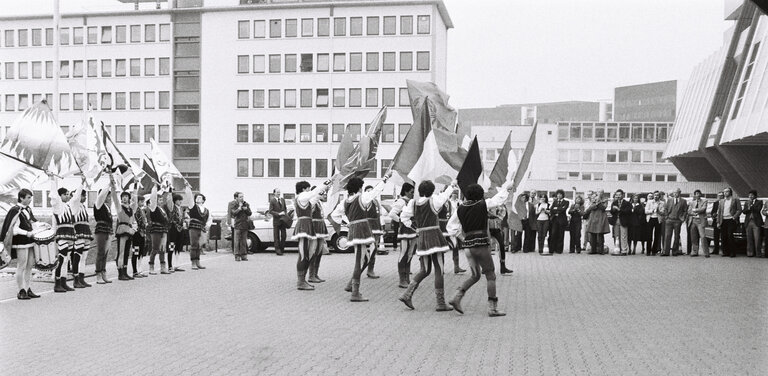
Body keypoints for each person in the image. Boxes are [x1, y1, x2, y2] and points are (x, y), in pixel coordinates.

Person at [446, 181, 513, 317]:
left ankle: (457, 297)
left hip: (468, 246)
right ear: (480, 194)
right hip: (481, 244)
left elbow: (451, 227)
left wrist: (463, 238)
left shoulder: (460, 208)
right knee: (491, 275)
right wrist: (507, 188)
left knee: (476, 275)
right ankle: (492, 308)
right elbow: (497, 200)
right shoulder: (482, 204)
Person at [398, 180, 457, 311]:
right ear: (432, 190)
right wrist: (452, 185)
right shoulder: (434, 201)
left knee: (424, 270)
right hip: (435, 237)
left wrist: (415, 228)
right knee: (439, 269)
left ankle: (407, 294)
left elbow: (403, 218)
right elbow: (444, 196)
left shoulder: (413, 203)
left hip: (422, 238)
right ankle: (440, 303)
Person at [331, 173, 391, 302]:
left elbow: (335, 215)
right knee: (360, 260)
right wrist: (385, 179)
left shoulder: (345, 201)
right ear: (359, 188)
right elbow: (375, 191)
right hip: (362, 230)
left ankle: (351, 285)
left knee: (365, 258)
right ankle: (355, 292)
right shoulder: (362, 198)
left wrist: (347, 223)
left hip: (354, 229)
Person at [1, 189, 42, 300]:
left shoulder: (28, 209)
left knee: (29, 266)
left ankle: (27, 289)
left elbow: (33, 222)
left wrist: (42, 226)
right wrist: (27, 233)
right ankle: (21, 290)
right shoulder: (15, 210)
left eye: (30, 197)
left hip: (29, 240)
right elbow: (13, 229)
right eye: (28, 197)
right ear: (21, 198)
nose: (30, 200)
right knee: (22, 265)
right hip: (21, 241)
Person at [292, 181, 331, 290]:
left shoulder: (305, 199)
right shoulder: (301, 197)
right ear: (304, 189)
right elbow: (314, 193)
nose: (309, 190)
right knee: (303, 254)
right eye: (308, 188)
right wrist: (327, 182)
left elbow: (315, 197)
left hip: (307, 226)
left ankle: (303, 279)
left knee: (308, 254)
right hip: (304, 227)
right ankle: (300, 281)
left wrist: (326, 188)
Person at [49, 176, 84, 291]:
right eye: (65, 194)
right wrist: (52, 179)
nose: (68, 196)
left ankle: (63, 282)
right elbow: (54, 195)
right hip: (62, 234)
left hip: (70, 234)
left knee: (66, 259)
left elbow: (76, 198)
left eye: (68, 194)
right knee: (62, 258)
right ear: (60, 196)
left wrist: (82, 183)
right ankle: (57, 283)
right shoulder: (58, 206)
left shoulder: (69, 206)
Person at [391, 183, 416, 288]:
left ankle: (407, 278)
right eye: (411, 192)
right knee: (404, 253)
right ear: (406, 191)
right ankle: (402, 279)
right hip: (405, 231)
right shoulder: (401, 201)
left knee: (410, 254)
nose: (413, 194)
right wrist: (402, 222)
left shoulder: (412, 201)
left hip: (413, 230)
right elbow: (392, 214)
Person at [93, 175, 117, 284]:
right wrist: (108, 184)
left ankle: (103, 272)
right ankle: (98, 273)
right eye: (107, 196)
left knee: (106, 253)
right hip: (101, 230)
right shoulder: (98, 204)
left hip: (108, 230)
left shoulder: (108, 208)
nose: (109, 198)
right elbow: (102, 195)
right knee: (100, 252)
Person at [115, 185, 138, 281]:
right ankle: (120, 273)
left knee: (127, 253)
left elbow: (135, 201)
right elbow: (115, 198)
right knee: (121, 252)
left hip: (129, 230)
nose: (124, 198)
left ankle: (125, 271)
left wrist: (135, 185)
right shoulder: (119, 207)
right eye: (123, 197)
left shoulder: (131, 209)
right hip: (122, 229)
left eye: (126, 196)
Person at [440, 188, 465, 274]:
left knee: (455, 245)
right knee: (442, 248)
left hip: (450, 225)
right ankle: (441, 268)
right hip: (443, 226)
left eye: (455, 193)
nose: (454, 194)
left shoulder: (457, 202)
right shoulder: (444, 202)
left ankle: (456, 267)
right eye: (453, 193)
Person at [308, 187, 330, 283]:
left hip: (321, 227)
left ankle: (315, 273)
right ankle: (311, 275)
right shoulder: (313, 202)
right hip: (315, 227)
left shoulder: (320, 203)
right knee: (314, 251)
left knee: (319, 251)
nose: (324, 195)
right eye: (322, 193)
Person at [148, 185, 171, 274]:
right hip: (156, 229)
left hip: (163, 230)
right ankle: (151, 267)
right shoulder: (153, 207)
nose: (161, 201)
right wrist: (155, 188)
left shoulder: (163, 209)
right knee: (155, 248)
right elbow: (153, 199)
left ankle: (163, 267)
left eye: (161, 200)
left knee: (162, 249)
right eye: (159, 200)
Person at [188, 193, 212, 270]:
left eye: (200, 197)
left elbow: (209, 219)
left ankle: (198, 262)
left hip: (202, 228)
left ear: (203, 200)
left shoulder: (206, 210)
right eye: (196, 197)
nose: (198, 199)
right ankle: (193, 263)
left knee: (199, 246)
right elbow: (189, 197)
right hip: (193, 227)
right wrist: (188, 188)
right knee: (194, 245)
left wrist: (207, 226)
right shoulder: (193, 206)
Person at [662, 188, 687, 257]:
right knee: (667, 236)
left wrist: (682, 218)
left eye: (677, 192)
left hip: (677, 221)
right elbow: (666, 208)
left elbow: (685, 210)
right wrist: (666, 217)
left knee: (676, 236)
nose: (675, 194)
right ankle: (665, 251)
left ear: (680, 193)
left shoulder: (683, 201)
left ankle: (675, 251)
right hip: (669, 220)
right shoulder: (669, 200)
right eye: (674, 193)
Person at [365, 185, 383, 279]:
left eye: (372, 191)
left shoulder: (376, 201)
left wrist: (381, 226)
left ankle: (370, 269)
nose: (371, 193)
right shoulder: (366, 202)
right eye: (368, 191)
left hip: (376, 226)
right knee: (369, 248)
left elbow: (379, 215)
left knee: (375, 248)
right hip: (369, 226)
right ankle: (366, 268)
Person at [165, 192, 186, 272]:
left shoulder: (181, 208)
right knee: (171, 246)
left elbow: (183, 217)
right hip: (173, 229)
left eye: (181, 200)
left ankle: (177, 265)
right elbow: (169, 201)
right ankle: (170, 265)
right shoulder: (172, 207)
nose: (180, 201)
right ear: (175, 201)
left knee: (178, 247)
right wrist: (170, 191)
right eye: (179, 200)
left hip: (180, 229)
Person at [718, 187, 741, 258]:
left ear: (730, 192)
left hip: (731, 220)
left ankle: (732, 252)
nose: (725, 193)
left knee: (730, 235)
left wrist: (734, 217)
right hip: (723, 220)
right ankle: (725, 252)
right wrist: (718, 222)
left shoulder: (735, 200)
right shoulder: (722, 201)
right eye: (724, 192)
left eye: (727, 191)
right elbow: (719, 212)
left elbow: (739, 210)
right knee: (723, 236)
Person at [489, 204, 512, 273]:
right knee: (485, 247)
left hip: (496, 229)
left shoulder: (501, 206)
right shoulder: (488, 203)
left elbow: (502, 215)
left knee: (501, 246)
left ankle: (503, 267)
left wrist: (497, 213)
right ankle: (485, 267)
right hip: (487, 228)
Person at [585, 190, 609, 254]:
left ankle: (601, 250)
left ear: (603, 193)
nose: (599, 193)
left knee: (600, 234)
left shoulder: (605, 200)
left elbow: (603, 208)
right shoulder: (593, 199)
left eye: (600, 192)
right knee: (592, 234)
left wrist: (598, 202)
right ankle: (593, 250)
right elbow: (591, 208)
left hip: (601, 217)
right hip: (593, 217)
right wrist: (594, 202)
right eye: (598, 192)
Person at [230, 191, 252, 261]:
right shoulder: (234, 205)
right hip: (238, 225)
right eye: (240, 197)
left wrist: (246, 209)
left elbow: (250, 213)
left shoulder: (246, 204)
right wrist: (239, 208)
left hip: (245, 225)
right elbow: (233, 213)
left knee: (243, 241)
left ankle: (244, 255)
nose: (242, 198)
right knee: (237, 241)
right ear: (236, 198)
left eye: (242, 196)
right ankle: (237, 255)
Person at [610, 189, 632, 256]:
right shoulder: (614, 202)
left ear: (623, 195)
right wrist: (613, 209)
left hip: (624, 221)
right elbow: (611, 212)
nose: (618, 196)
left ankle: (624, 250)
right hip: (616, 220)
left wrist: (619, 209)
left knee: (623, 236)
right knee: (616, 236)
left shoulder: (627, 203)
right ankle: (617, 249)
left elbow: (628, 212)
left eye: (619, 195)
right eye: (617, 195)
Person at [688, 190, 709, 257]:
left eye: (699, 193)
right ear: (694, 195)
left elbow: (703, 209)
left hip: (701, 221)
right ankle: (695, 252)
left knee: (703, 236)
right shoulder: (692, 202)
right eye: (696, 194)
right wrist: (693, 212)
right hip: (693, 220)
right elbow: (689, 211)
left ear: (700, 194)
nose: (698, 195)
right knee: (694, 237)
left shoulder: (704, 201)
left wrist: (695, 210)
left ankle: (706, 252)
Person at [131, 195, 148, 278]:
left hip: (142, 233)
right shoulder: (135, 210)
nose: (143, 203)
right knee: (135, 252)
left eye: (143, 201)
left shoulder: (143, 210)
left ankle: (139, 269)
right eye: (141, 201)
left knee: (141, 252)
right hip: (136, 234)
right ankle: (134, 271)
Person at [742, 190, 762, 257]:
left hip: (756, 222)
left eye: (752, 195)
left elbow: (758, 210)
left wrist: (751, 205)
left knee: (757, 238)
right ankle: (750, 253)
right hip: (748, 222)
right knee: (749, 238)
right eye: (749, 195)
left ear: (755, 196)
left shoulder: (759, 202)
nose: (750, 196)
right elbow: (744, 211)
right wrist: (748, 207)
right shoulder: (746, 202)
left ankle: (758, 253)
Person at [548, 189, 569, 254]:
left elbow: (563, 209)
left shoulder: (566, 202)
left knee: (561, 235)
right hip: (555, 220)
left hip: (562, 220)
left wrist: (556, 209)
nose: (559, 195)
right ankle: (552, 248)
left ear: (563, 195)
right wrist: (557, 210)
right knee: (553, 234)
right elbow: (551, 209)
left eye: (560, 194)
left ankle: (559, 249)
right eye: (558, 194)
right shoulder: (555, 202)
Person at [268, 188, 288, 256]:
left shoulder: (282, 200)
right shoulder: (272, 200)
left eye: (279, 192)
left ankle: (282, 248)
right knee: (276, 236)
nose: (279, 193)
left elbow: (285, 209)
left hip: (283, 220)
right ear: (274, 193)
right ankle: (277, 250)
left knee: (284, 235)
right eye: (277, 192)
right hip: (276, 220)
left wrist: (284, 213)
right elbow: (270, 211)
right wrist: (278, 214)